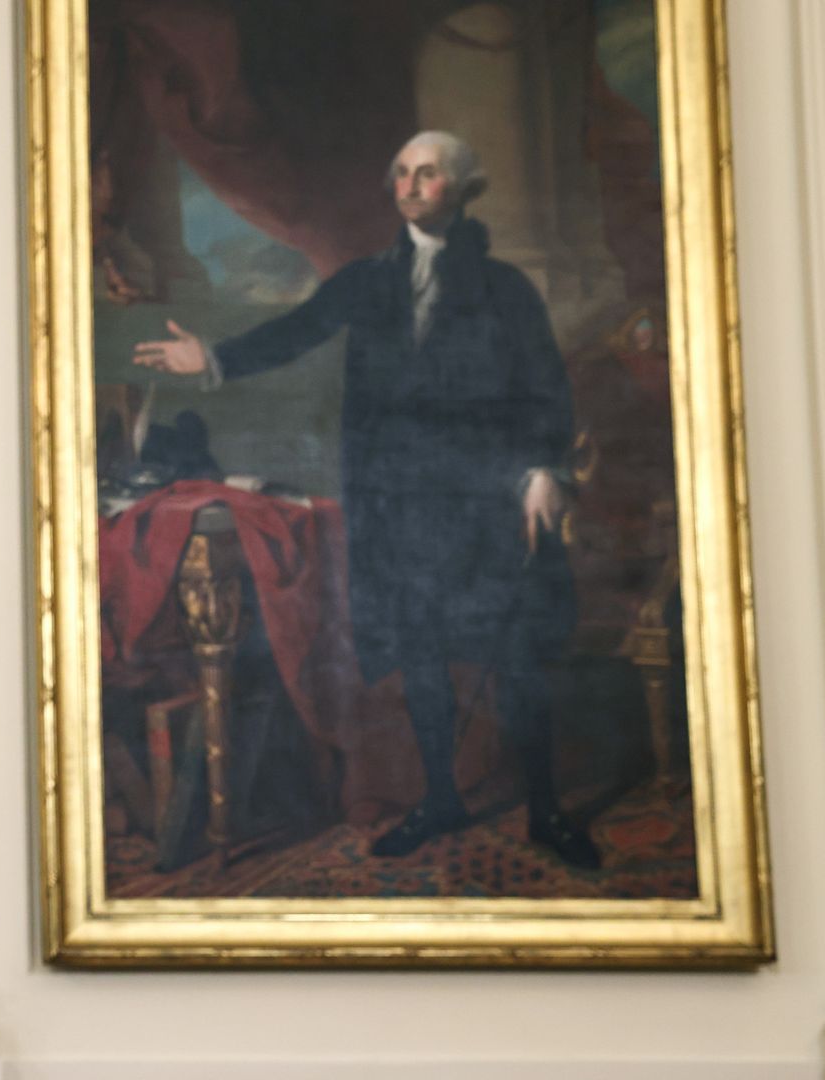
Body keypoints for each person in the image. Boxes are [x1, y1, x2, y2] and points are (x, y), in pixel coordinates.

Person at [133, 131, 599, 869]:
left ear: (462, 189)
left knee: (516, 660)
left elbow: (546, 386)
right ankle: (441, 798)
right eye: (404, 174)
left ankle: (546, 809)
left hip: (485, 504)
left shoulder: (506, 289)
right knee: (419, 657)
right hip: (400, 508)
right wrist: (213, 359)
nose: (412, 186)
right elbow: (296, 332)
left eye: (430, 174)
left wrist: (543, 469)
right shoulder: (367, 281)